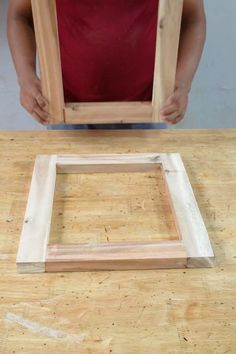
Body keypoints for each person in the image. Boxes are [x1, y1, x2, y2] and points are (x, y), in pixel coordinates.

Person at [7, 0, 206, 128]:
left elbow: (192, 18)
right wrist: (26, 78)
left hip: (147, 113)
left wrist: (182, 83)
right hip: (66, 113)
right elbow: (20, 15)